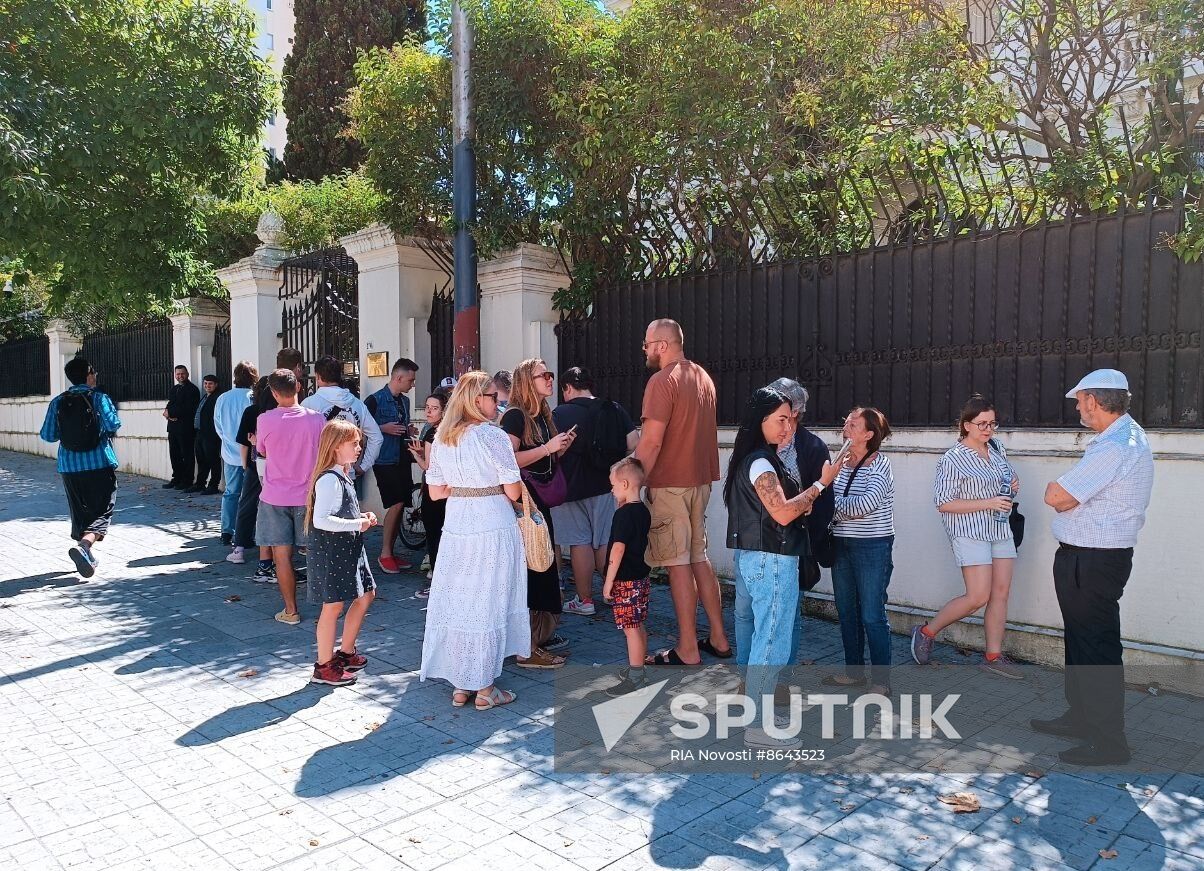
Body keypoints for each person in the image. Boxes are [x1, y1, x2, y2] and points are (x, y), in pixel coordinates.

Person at [1033, 369, 1153, 766]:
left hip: (1093, 559)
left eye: (1081, 400)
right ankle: (1081, 718)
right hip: (1088, 556)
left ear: (1097, 401)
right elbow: (1067, 499)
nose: (1079, 407)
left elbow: (1057, 495)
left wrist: (1064, 495)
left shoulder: (1115, 446)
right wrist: (1069, 499)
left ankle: (1108, 742)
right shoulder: (1121, 439)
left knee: (1095, 647)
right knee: (1081, 642)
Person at [419, 371, 527, 710]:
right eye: (493, 397)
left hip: (457, 523)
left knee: (462, 598)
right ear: (477, 400)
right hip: (493, 521)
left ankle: (462, 684)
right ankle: (485, 687)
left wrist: (464, 487)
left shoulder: (442, 438)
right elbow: (513, 489)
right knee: (489, 598)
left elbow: (435, 492)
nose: (498, 403)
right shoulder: (492, 437)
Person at [726, 388, 823, 748]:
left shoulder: (756, 459)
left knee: (763, 640)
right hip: (772, 560)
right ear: (760, 420)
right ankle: (759, 728)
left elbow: (782, 508)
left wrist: (804, 499)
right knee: (771, 643)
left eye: (791, 419)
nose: (788, 426)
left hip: (761, 557)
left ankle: (757, 719)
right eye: (781, 419)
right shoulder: (761, 462)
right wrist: (820, 484)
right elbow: (782, 512)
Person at [633, 318, 729, 666]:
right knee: (697, 558)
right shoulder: (701, 376)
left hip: (670, 483)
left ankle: (688, 647)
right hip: (699, 481)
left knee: (676, 564)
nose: (644, 350)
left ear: (662, 345)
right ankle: (718, 636)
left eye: (647, 344)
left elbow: (653, 440)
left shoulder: (662, 381)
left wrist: (632, 481)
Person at [912, 395, 1023, 678]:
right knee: (977, 596)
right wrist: (988, 502)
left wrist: (1012, 485)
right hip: (970, 532)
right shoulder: (954, 458)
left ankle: (993, 656)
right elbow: (943, 502)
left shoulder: (997, 449)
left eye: (992, 423)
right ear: (966, 425)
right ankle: (926, 631)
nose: (988, 429)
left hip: (999, 529)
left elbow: (1004, 484)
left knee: (1000, 593)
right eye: (981, 423)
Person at [815, 407, 895, 696]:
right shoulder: (837, 462)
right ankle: (854, 673)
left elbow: (864, 505)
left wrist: (831, 508)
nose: (845, 427)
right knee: (847, 611)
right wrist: (828, 503)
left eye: (852, 424)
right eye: (845, 422)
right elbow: (823, 496)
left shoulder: (881, 464)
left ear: (869, 434)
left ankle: (881, 681)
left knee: (873, 614)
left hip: (873, 546)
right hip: (841, 544)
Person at [501, 359, 576, 667]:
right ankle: (527, 647)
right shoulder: (516, 416)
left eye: (550, 374)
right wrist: (548, 449)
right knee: (534, 567)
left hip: (539, 501)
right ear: (525, 381)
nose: (549, 379)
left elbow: (543, 460)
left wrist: (560, 447)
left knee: (544, 563)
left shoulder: (544, 415)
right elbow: (507, 459)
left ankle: (537, 638)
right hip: (525, 504)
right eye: (542, 375)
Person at [554, 367, 639, 617]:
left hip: (570, 487)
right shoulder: (613, 408)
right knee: (604, 541)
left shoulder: (560, 413)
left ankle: (585, 600)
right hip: (605, 485)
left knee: (579, 543)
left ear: (568, 387)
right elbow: (634, 442)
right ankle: (615, 594)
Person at [304, 419, 379, 687]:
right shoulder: (329, 480)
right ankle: (324, 667)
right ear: (336, 447)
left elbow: (339, 513)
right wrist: (359, 523)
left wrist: (360, 517)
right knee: (332, 606)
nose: (359, 447)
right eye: (354, 443)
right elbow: (322, 520)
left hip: (347, 548)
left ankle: (345, 652)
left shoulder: (341, 474)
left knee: (366, 594)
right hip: (333, 551)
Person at [766, 377, 835, 667]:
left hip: (795, 548)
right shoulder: (761, 443)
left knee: (788, 615)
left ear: (794, 412)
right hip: (761, 544)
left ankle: (782, 676)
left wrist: (808, 539)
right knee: (755, 614)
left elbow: (825, 503)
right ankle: (754, 675)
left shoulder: (814, 448)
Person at [39, 357, 122, 578]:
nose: (95, 375)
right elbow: (114, 424)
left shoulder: (57, 401)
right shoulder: (99, 398)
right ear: (88, 374)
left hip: (68, 465)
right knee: (104, 508)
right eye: (93, 371)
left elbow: (47, 435)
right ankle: (84, 547)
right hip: (99, 463)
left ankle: (86, 554)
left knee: (79, 510)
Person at [256, 369, 325, 625]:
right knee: (317, 552)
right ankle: (328, 608)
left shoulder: (265, 420)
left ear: (273, 393)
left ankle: (291, 610)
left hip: (275, 495)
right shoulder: (317, 420)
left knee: (281, 555)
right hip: (308, 495)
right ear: (298, 387)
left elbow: (261, 450)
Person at [601, 458, 653, 697]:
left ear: (623, 484)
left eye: (612, 485)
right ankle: (639, 668)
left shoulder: (623, 515)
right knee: (638, 624)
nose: (611, 490)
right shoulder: (642, 510)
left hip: (625, 581)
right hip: (641, 577)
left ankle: (635, 676)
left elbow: (618, 549)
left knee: (630, 628)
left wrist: (609, 581)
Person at [365, 358, 419, 574]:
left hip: (402, 458)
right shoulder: (374, 400)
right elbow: (360, 428)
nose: (412, 384)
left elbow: (401, 426)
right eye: (410, 380)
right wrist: (382, 428)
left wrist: (408, 430)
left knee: (401, 505)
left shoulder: (404, 402)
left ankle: (392, 551)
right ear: (398, 378)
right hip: (384, 460)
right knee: (395, 504)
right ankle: (385, 553)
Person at [301, 356, 383, 497]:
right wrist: (364, 466)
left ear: (318, 376)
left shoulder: (309, 405)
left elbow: (300, 441)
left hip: (317, 474)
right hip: (347, 474)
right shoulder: (357, 404)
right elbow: (377, 437)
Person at [230, 375, 276, 577]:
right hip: (279, 467)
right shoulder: (279, 413)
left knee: (247, 504)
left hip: (255, 464)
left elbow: (244, 442)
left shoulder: (251, 412)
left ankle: (239, 547)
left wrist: (244, 464)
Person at [408, 392, 448, 598]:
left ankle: (437, 577)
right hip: (450, 491)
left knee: (433, 535)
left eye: (434, 408)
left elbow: (429, 467)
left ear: (443, 410)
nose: (429, 411)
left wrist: (417, 455)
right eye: (427, 407)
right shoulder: (449, 430)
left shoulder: (433, 433)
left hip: (435, 491)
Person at [214, 361, 257, 550]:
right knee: (251, 496)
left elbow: (218, 426)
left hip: (230, 453)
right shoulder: (253, 398)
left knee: (231, 492)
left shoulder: (223, 397)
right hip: (251, 454)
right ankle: (247, 531)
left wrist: (228, 441)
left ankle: (227, 530)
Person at [162, 364, 200, 489]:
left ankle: (187, 480)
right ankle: (177, 477)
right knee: (174, 454)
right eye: (178, 374)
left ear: (187, 374)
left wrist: (171, 413)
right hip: (173, 427)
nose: (180, 376)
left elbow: (188, 408)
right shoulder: (174, 389)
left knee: (187, 454)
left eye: (182, 373)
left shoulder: (192, 390)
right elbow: (171, 404)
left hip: (186, 428)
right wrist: (168, 413)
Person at [188, 375, 223, 495]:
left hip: (211, 434)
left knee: (213, 459)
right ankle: (200, 483)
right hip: (200, 432)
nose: (207, 386)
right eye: (206, 383)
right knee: (201, 459)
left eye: (210, 384)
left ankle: (213, 485)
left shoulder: (217, 398)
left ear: (216, 385)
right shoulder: (205, 397)